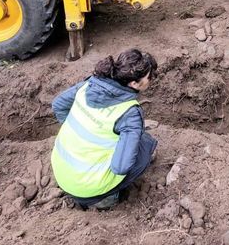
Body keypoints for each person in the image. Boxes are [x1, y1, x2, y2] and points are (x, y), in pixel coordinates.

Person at [51, 49, 158, 211]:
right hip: (88, 191)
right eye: (149, 77)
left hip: (61, 174)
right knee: (145, 146)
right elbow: (120, 167)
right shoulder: (129, 113)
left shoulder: (89, 85)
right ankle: (106, 199)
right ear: (134, 84)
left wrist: (82, 127)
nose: (151, 80)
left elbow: (58, 105)